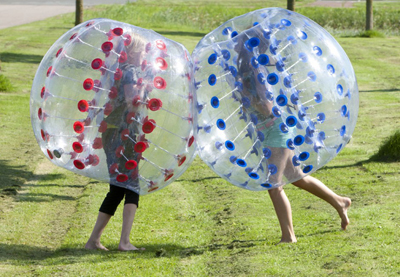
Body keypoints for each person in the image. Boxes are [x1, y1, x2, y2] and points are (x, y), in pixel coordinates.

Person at [234, 27, 351, 243]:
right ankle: (339, 201)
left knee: (274, 184)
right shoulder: (248, 70)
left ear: (249, 47)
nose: (236, 45)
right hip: (274, 129)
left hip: (275, 131)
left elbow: (267, 107)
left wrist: (246, 95)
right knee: (297, 177)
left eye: (240, 41)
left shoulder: (255, 72)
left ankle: (289, 236)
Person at [85, 30, 147, 251]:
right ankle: (124, 242)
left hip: (115, 132)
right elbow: (132, 102)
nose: (144, 57)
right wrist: (145, 91)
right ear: (131, 53)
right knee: (130, 186)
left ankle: (94, 240)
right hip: (123, 134)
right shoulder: (130, 72)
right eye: (142, 52)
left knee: (119, 187)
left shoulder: (119, 70)